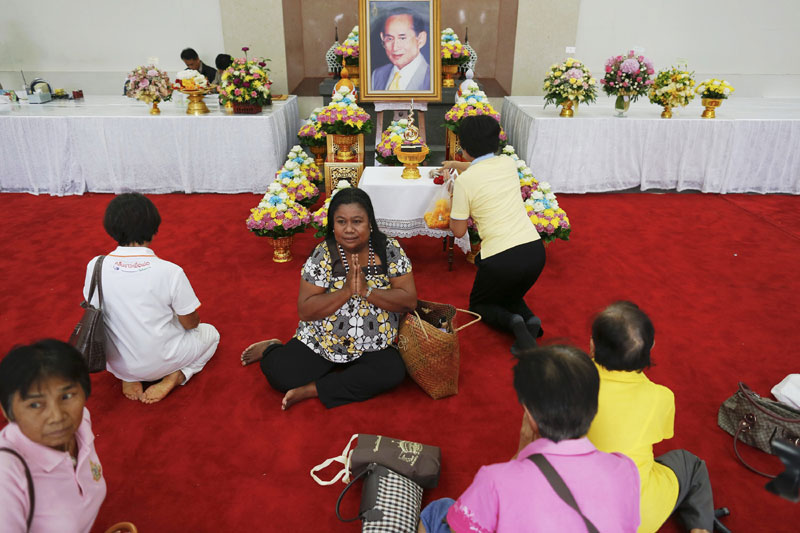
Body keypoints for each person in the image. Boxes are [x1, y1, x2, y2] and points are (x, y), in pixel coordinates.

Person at [418, 345, 641, 532]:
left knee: (438, 511)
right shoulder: (625, 469)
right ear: (594, 409)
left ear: (531, 417)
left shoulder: (494, 480)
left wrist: (520, 451)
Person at [241, 188, 416, 410]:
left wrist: (367, 291)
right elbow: (305, 310)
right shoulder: (322, 254)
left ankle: (315, 389)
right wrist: (345, 292)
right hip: (324, 341)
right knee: (281, 376)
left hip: (375, 344)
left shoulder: (389, 249)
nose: (349, 229)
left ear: (369, 222)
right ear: (332, 224)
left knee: (392, 372)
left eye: (357, 221)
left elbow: (409, 300)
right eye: (341, 221)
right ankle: (272, 348)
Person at [586, 301, 715, 533]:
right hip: (636, 520)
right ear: (651, 347)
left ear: (592, 345)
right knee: (690, 463)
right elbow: (660, 435)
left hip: (567, 514)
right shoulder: (660, 398)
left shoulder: (566, 381)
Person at [84, 193, 219, 403]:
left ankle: (127, 376)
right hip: (163, 360)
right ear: (154, 228)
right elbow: (191, 323)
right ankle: (177, 375)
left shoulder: (95, 266)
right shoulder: (170, 271)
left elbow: (93, 308)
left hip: (114, 362)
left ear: (110, 227)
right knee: (211, 333)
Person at [444, 114, 545, 352]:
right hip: (534, 253)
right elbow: (482, 166)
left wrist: (451, 203)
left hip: (501, 258)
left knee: (479, 304)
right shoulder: (508, 163)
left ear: (464, 147)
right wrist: (455, 165)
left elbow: (458, 232)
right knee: (508, 295)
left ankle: (513, 323)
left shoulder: (465, 183)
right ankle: (530, 320)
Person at [0, 340, 107, 533]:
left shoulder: (82, 424)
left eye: (67, 396)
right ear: (7, 412)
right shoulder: (6, 474)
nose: (57, 417)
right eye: (35, 405)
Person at [371, 8, 430, 91]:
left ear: (421, 39)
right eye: (390, 39)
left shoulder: (433, 78)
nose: (395, 47)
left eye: (402, 38)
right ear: (382, 38)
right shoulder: (377, 75)